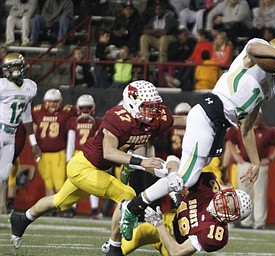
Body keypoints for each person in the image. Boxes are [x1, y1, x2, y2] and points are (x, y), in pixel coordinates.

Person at [118, 37, 275, 242]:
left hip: (219, 125)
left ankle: (137, 164)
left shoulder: (269, 89)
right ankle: (133, 207)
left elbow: (246, 126)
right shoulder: (255, 53)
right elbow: (252, 48)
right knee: (185, 180)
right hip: (208, 113)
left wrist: (256, 161)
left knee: (186, 174)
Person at [10, 80, 177, 254]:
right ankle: (114, 248)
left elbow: (161, 128)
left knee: (58, 201)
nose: (155, 111)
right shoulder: (118, 119)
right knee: (127, 194)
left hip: (95, 169)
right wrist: (140, 162)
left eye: (155, 106)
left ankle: (22, 219)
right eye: (148, 107)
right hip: (83, 166)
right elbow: (109, 153)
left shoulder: (159, 119)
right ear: (132, 103)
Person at [120, 172, 252, 255]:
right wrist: (177, 191)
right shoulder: (209, 186)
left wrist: (158, 224)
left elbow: (176, 252)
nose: (224, 204)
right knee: (129, 241)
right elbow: (181, 177)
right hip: (169, 220)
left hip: (174, 243)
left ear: (233, 217)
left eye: (230, 208)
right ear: (227, 193)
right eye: (228, 199)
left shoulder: (216, 233)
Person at [228, 111, 275, 229]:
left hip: (260, 164)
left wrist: (270, 158)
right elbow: (230, 141)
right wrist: (236, 155)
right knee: (243, 194)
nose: (255, 117)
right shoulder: (240, 128)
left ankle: (259, 222)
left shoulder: (267, 131)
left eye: (257, 115)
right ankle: (245, 221)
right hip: (244, 163)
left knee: (260, 194)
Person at [0, 53, 41, 188]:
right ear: (6, 70)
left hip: (12, 135)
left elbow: (27, 116)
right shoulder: (3, 85)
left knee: (3, 175)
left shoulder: (29, 87)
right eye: (12, 67)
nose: (16, 70)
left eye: (18, 66)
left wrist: (33, 142)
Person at [32, 88, 77, 196]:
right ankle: (51, 210)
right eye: (50, 101)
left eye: (55, 102)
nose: (52, 104)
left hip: (59, 153)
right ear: (45, 102)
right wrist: (34, 145)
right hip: (43, 153)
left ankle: (61, 208)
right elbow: (33, 130)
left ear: (60, 102)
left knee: (59, 183)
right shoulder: (37, 112)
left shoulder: (66, 112)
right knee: (48, 182)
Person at [66, 94, 102, 219]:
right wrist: (68, 158)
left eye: (88, 108)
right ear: (78, 108)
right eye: (83, 108)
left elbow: (98, 141)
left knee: (94, 182)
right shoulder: (73, 122)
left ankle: (94, 210)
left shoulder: (97, 122)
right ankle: (72, 208)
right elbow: (71, 141)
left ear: (93, 108)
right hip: (77, 154)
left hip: (91, 154)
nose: (86, 111)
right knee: (75, 182)